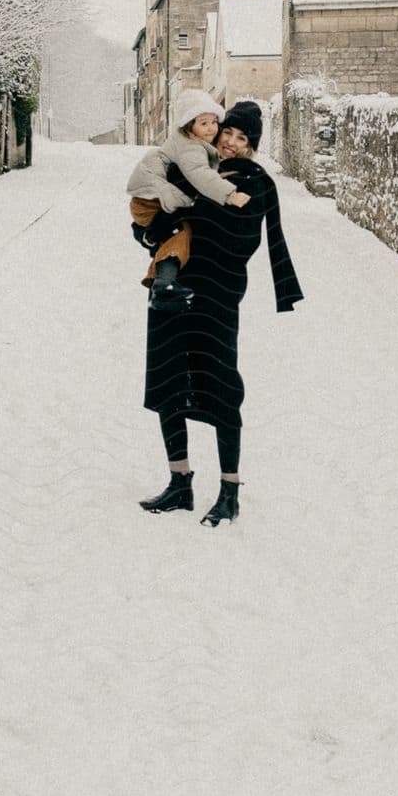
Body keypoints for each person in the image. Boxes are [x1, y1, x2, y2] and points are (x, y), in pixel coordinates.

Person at [138, 99, 303, 527]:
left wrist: (182, 215)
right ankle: (180, 482)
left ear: (252, 144)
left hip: (217, 293)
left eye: (241, 137)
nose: (229, 142)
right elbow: (150, 218)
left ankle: (229, 490)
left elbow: (237, 238)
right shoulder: (194, 166)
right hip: (172, 288)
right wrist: (155, 230)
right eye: (226, 132)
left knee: (222, 386)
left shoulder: (257, 183)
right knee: (169, 379)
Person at [125, 88, 250, 310]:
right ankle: (164, 286)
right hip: (152, 201)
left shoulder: (196, 145)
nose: (211, 128)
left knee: (174, 235)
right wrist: (230, 194)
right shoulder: (191, 149)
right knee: (178, 235)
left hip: (153, 200)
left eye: (213, 122)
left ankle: (163, 284)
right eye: (203, 123)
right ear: (188, 125)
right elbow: (201, 176)